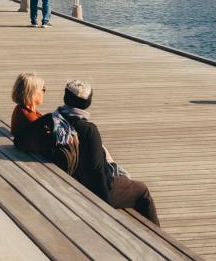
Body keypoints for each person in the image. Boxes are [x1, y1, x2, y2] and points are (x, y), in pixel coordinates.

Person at [51, 80, 159, 225]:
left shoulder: (55, 120)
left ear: (65, 98)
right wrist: (104, 205)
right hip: (89, 187)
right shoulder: (88, 130)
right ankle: (159, 238)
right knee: (142, 191)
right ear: (87, 103)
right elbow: (97, 170)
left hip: (68, 180)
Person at [10, 72, 46, 154]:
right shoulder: (30, 118)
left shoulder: (21, 109)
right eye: (42, 89)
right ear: (33, 93)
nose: (44, 92)